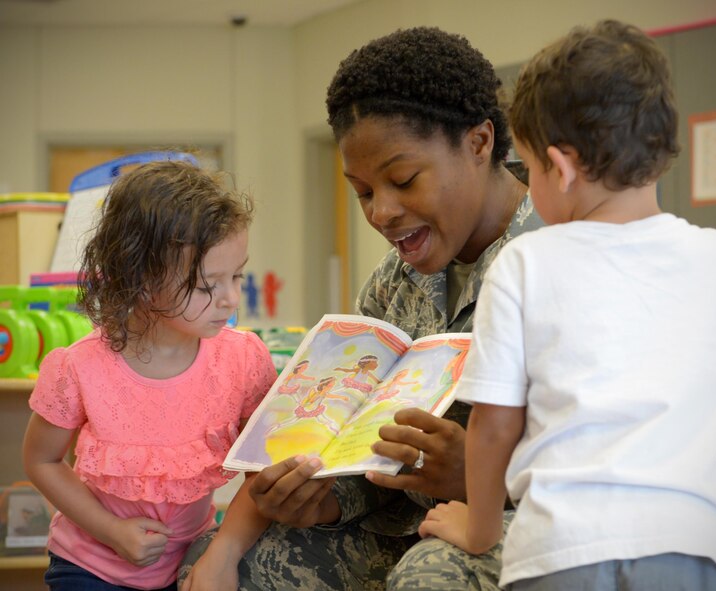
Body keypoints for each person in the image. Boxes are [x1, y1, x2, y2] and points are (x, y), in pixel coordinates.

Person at [178, 26, 543, 591]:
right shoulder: (390, 287)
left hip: (529, 520)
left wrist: (477, 476)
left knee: (431, 579)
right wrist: (320, 499)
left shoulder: (559, 262)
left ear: (479, 142)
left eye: (402, 180)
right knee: (217, 564)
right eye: (363, 192)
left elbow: (621, 456)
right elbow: (362, 450)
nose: (382, 213)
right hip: (404, 525)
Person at [418, 19, 716, 591]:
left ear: (560, 168)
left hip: (563, 550)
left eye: (528, 168)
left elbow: (493, 426)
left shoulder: (526, 262)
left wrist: (479, 530)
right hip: (700, 545)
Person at [22, 160, 277, 591]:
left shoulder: (244, 360)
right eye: (206, 286)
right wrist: (109, 530)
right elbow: (41, 460)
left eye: (236, 276)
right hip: (89, 564)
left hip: (193, 559)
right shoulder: (78, 367)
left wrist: (223, 551)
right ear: (139, 277)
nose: (230, 299)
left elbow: (263, 471)